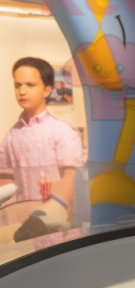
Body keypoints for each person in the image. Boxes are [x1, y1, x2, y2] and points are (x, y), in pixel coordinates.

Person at [0, 57, 83, 215]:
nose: (22, 91)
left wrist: (50, 215)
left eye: (30, 85)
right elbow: (5, 179)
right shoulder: (10, 136)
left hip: (55, 220)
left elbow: (71, 180)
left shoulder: (62, 130)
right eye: (17, 85)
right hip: (19, 220)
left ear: (46, 90)